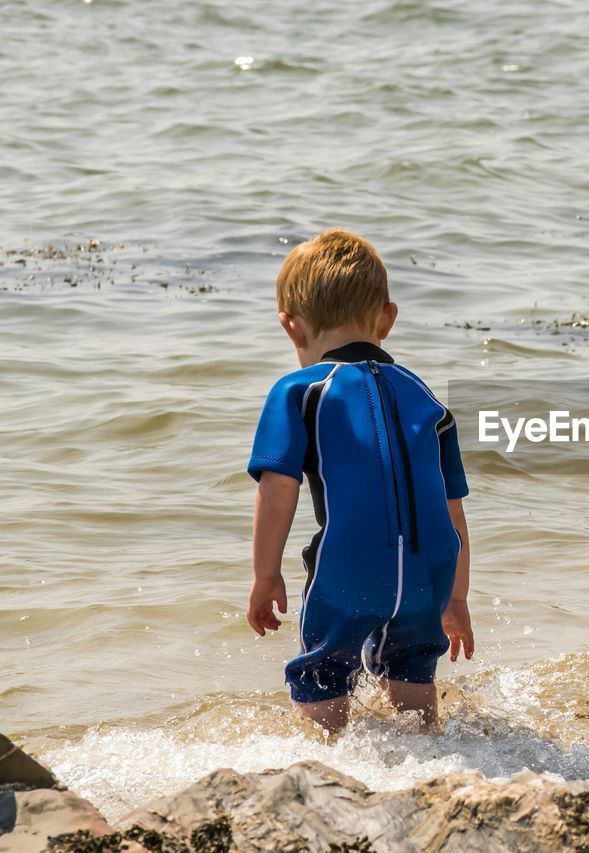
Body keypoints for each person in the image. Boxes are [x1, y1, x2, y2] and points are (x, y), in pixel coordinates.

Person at [245, 228, 473, 733]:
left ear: (291, 328)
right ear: (386, 320)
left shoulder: (298, 392)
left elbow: (277, 488)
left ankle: (328, 763)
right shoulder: (427, 398)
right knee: (414, 677)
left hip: (348, 568)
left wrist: (265, 577)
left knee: (323, 677)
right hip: (430, 573)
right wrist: (455, 600)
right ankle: (431, 760)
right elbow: (453, 510)